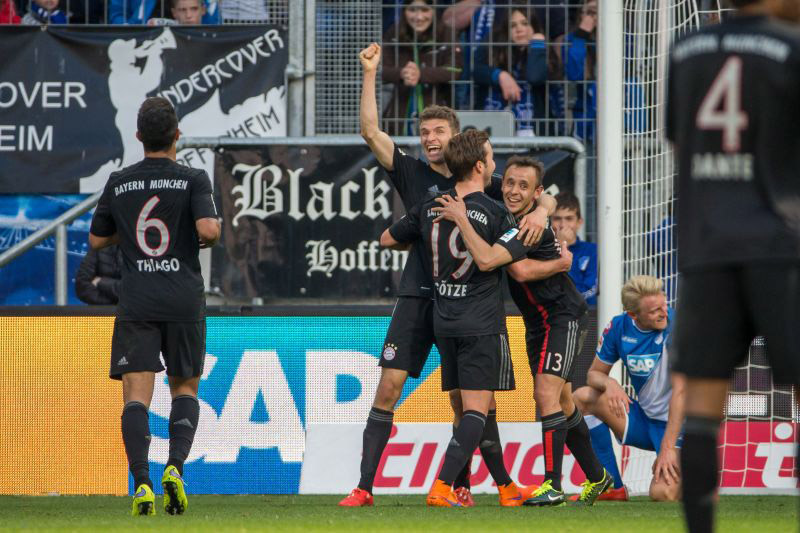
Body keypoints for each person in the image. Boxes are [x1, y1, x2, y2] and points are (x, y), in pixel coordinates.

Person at [339, 42, 553, 508]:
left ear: (456, 138)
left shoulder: (484, 185)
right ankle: (364, 487)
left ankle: (483, 484)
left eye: (438, 131)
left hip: (461, 304)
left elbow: (536, 194)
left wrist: (548, 207)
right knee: (391, 385)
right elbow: (370, 130)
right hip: (420, 297)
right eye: (424, 131)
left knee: (469, 401)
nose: (430, 138)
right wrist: (371, 72)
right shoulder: (413, 173)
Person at [665, 1, 800, 531]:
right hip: (779, 243)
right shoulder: (791, 48)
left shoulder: (683, 50)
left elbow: (681, 139)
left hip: (708, 246)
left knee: (701, 403)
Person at [436, 154, 612, 506]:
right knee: (561, 402)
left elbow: (518, 273)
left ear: (537, 191)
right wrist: (546, 209)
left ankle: (553, 485)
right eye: (510, 184)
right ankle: (598, 477)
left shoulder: (532, 226)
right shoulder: (513, 207)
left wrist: (553, 241)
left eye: (524, 187)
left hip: (563, 316)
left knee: (545, 394)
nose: (514, 190)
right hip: (538, 322)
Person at [380, 129, 535, 507]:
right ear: (481, 165)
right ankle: (443, 486)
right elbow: (488, 260)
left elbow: (387, 238)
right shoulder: (498, 214)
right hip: (481, 324)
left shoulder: (431, 206)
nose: (496, 164)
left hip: (444, 319)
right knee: (476, 413)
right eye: (493, 157)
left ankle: (507, 488)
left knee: (475, 410)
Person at [88, 97, 220, 516]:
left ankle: (141, 482)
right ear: (177, 135)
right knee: (184, 387)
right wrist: (200, 231)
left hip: (138, 300)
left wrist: (128, 232)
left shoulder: (119, 181)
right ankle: (175, 469)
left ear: (139, 136)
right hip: (182, 298)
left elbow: (96, 239)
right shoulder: (194, 177)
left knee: (136, 397)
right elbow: (209, 230)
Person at [573, 276, 684, 502]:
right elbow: (593, 374)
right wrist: (610, 383)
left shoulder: (679, 327)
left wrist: (668, 447)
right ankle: (611, 486)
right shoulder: (618, 326)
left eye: (664, 304)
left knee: (662, 494)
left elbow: (682, 393)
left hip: (681, 425)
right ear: (633, 315)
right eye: (654, 310)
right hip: (645, 420)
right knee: (581, 398)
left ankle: (695, 474)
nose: (664, 312)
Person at [382, 0, 462, 136]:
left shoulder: (447, 33)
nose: (418, 17)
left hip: (439, 111)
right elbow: (380, 70)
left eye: (425, 10)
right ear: (404, 11)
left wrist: (421, 74)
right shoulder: (393, 33)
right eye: (412, 10)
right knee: (398, 154)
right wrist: (402, 73)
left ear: (433, 10)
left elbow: (455, 71)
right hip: (399, 114)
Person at [473, 5, 549, 136]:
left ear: (535, 27)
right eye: (513, 25)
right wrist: (500, 76)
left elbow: (535, 77)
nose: (519, 29)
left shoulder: (543, 51)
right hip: (492, 130)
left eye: (525, 23)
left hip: (533, 133)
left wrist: (536, 46)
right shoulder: (495, 49)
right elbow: (475, 70)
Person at [552, 191, 596, 305]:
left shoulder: (593, 251)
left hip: (585, 316)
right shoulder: (542, 251)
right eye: (557, 218)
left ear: (579, 222)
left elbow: (590, 293)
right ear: (550, 222)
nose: (563, 225)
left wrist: (563, 247)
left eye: (569, 218)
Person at [109, 0, 219, 25]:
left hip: (191, 41)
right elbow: (116, 12)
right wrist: (130, 31)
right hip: (143, 38)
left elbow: (211, 18)